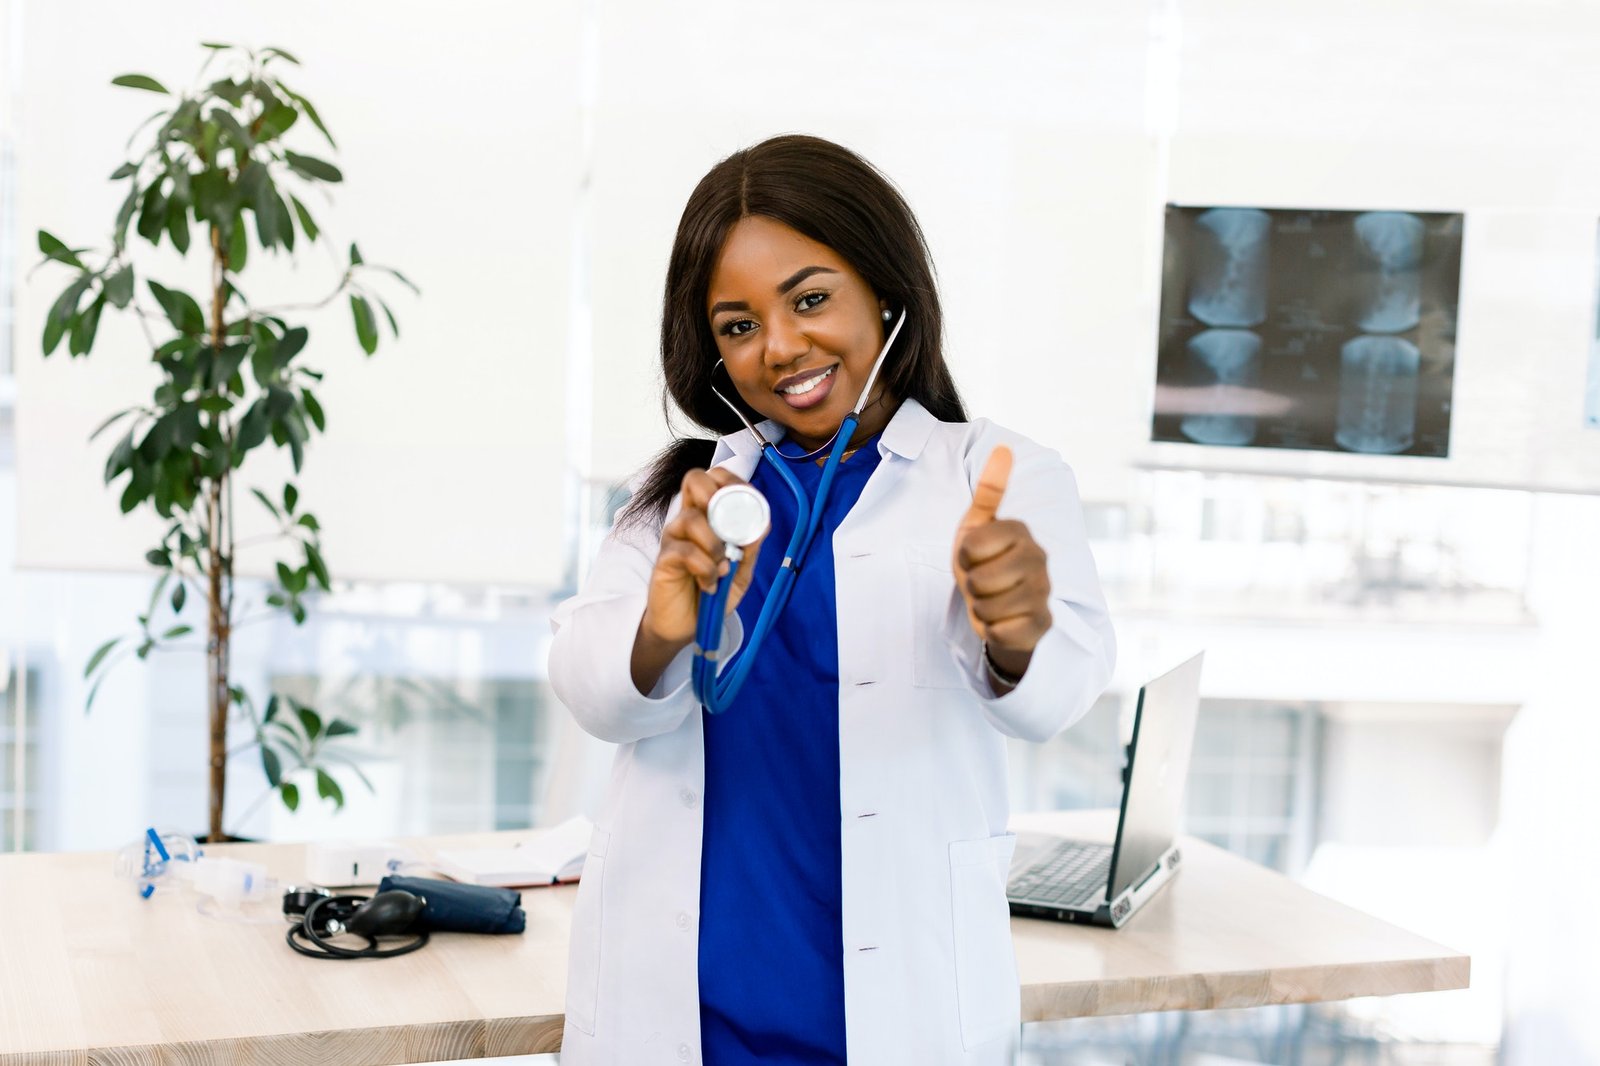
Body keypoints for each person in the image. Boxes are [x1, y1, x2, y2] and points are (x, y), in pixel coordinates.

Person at [549, 134, 1116, 1066]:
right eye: (737, 325)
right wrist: (661, 624)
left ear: (886, 293)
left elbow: (1059, 693)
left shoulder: (992, 477)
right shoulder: (689, 498)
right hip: (689, 1008)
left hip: (896, 1013)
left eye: (811, 299)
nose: (780, 347)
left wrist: (1016, 632)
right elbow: (588, 687)